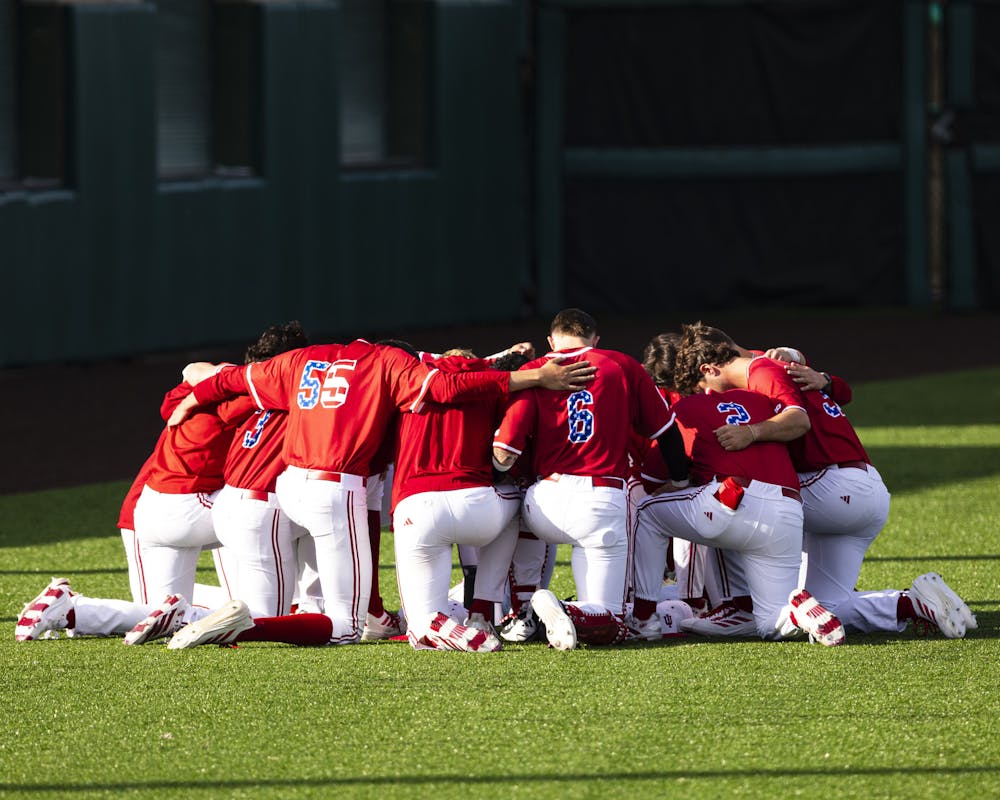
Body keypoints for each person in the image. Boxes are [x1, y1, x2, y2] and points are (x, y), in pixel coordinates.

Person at [167, 337, 595, 646]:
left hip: (285, 486)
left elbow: (232, 379)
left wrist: (191, 398)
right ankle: (251, 625)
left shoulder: (304, 357)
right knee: (346, 626)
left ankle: (250, 610)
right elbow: (445, 385)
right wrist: (535, 374)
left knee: (308, 585)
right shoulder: (387, 362)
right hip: (333, 488)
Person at [492, 309, 689, 650]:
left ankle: (523, 611)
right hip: (601, 501)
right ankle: (570, 609)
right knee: (609, 618)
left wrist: (495, 478)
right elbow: (668, 434)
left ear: (551, 341)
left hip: (545, 500)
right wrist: (682, 482)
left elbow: (506, 452)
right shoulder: (620, 364)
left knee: (515, 500)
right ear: (595, 340)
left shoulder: (533, 371)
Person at [630, 339, 845, 645]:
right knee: (771, 623)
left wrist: (677, 482)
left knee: (646, 512)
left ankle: (643, 619)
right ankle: (798, 612)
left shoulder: (688, 406)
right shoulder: (761, 398)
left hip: (734, 499)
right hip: (787, 511)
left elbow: (651, 478)